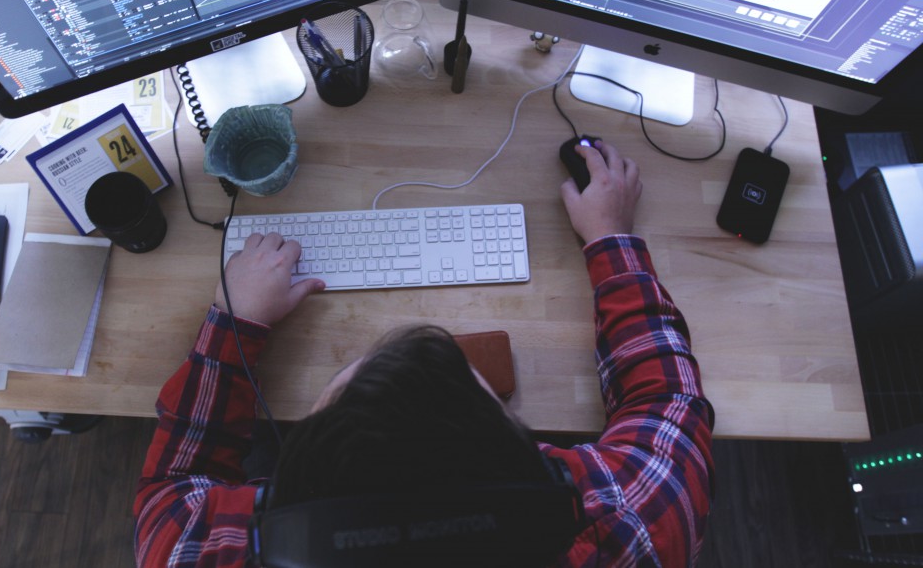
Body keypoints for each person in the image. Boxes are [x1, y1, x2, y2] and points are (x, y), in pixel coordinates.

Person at [134, 140, 715, 567]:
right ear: (541, 469)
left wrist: (233, 325)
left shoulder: (200, 551)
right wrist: (612, 237)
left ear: (283, 516)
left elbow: (172, 487)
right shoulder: (629, 527)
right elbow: (668, 398)